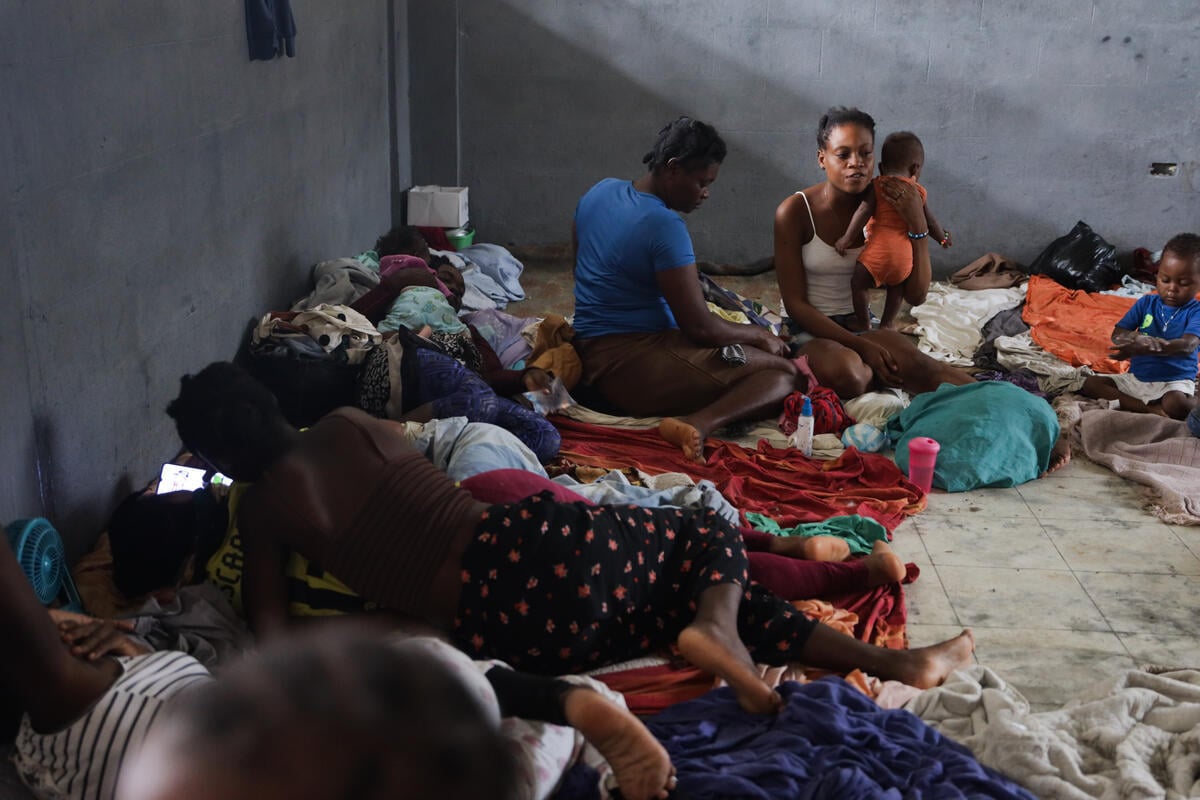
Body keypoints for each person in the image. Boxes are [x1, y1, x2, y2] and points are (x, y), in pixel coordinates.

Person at [166, 362, 975, 718]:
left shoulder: (264, 511)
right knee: (703, 533)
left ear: (216, 456)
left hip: (513, 630)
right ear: (269, 402)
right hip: (526, 542)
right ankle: (724, 634)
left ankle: (891, 662)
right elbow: (427, 462)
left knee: (671, 601)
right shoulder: (347, 425)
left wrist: (396, 624)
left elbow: (274, 637)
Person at [572, 116, 804, 462]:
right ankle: (696, 423)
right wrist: (757, 336)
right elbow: (700, 327)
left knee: (750, 354)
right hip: (627, 365)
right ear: (673, 169)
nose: (706, 193)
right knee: (784, 375)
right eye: (701, 182)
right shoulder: (664, 224)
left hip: (589, 348)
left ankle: (696, 403)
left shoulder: (600, 190)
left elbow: (580, 266)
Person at [773, 107, 976, 400]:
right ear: (822, 158)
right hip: (808, 329)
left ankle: (1022, 408)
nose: (856, 164)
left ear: (875, 160)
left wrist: (917, 224)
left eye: (865, 154)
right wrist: (861, 346)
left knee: (927, 368)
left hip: (861, 322)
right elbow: (796, 305)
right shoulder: (794, 211)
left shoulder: (892, 203)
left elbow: (917, 295)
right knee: (851, 374)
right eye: (843, 154)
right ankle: (872, 372)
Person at [834, 131, 951, 331]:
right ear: (915, 168)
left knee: (859, 283)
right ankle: (887, 324)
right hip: (903, 258)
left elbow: (863, 211)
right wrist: (943, 239)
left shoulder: (878, 186)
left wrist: (846, 238)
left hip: (877, 253)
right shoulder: (918, 192)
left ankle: (863, 322)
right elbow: (930, 222)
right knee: (897, 287)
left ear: (880, 167)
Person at [1080, 233, 1200, 419]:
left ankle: (1193, 402)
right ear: (1157, 275)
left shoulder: (1195, 311)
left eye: (1183, 283)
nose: (1172, 288)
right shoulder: (1146, 303)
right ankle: (1148, 408)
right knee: (1091, 384)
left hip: (1173, 381)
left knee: (1176, 405)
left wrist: (1154, 346)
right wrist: (1134, 338)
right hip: (1137, 379)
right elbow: (1117, 333)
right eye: (1165, 279)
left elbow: (1187, 346)